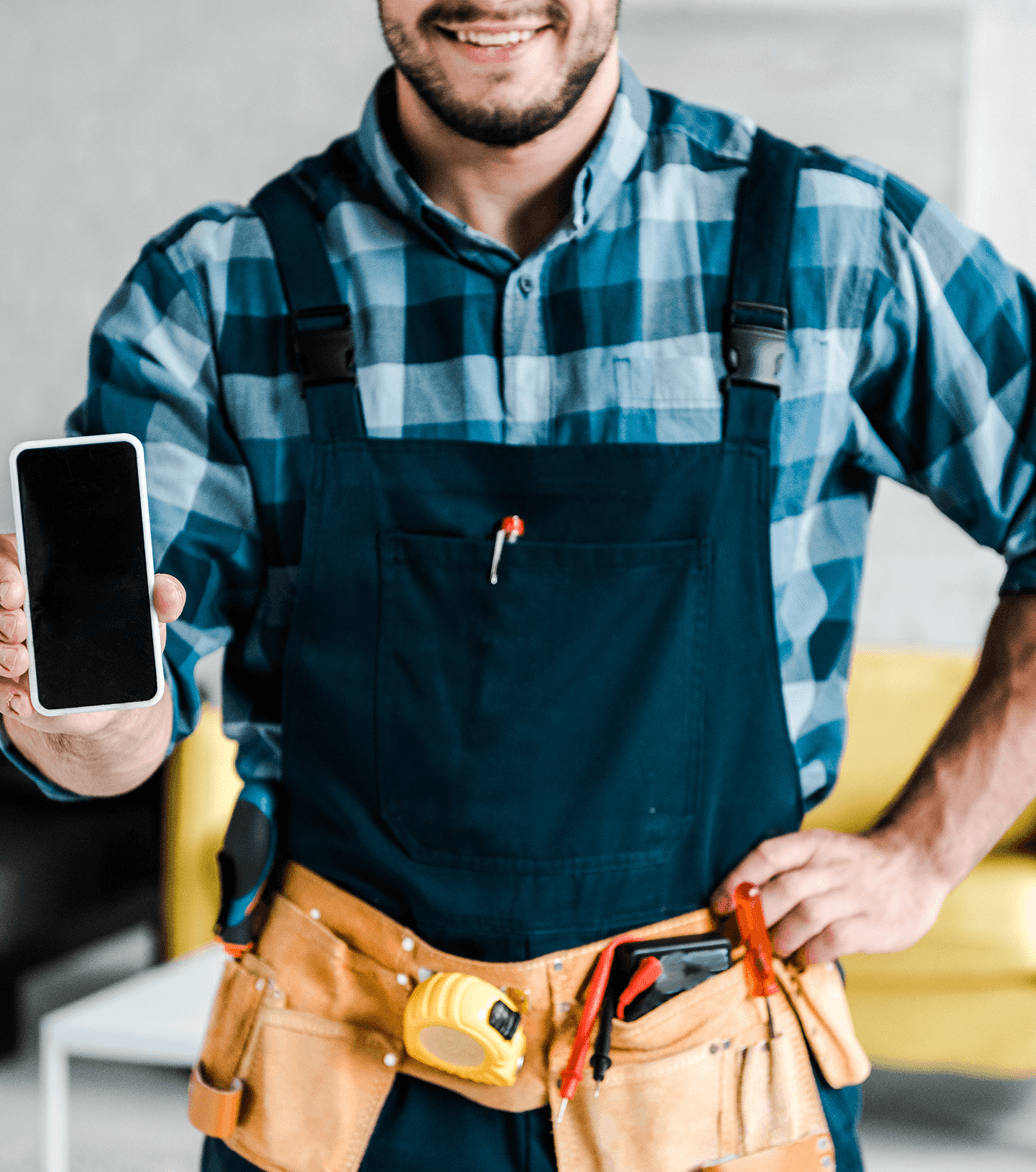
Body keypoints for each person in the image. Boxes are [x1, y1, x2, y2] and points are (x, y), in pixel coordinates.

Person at [2, 2, 1036, 1169]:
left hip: (713, 1097)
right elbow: (124, 723)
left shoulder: (836, 245)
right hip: (336, 1090)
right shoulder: (213, 291)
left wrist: (927, 849)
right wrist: (77, 722)